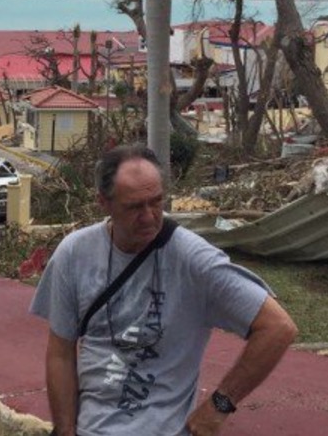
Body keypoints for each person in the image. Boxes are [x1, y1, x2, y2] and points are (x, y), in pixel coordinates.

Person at [30, 144, 297, 436]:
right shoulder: (74, 254)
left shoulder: (193, 260)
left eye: (155, 202)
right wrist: (65, 430)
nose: (149, 216)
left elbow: (278, 328)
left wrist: (219, 405)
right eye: (134, 207)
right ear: (103, 203)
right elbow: (60, 352)